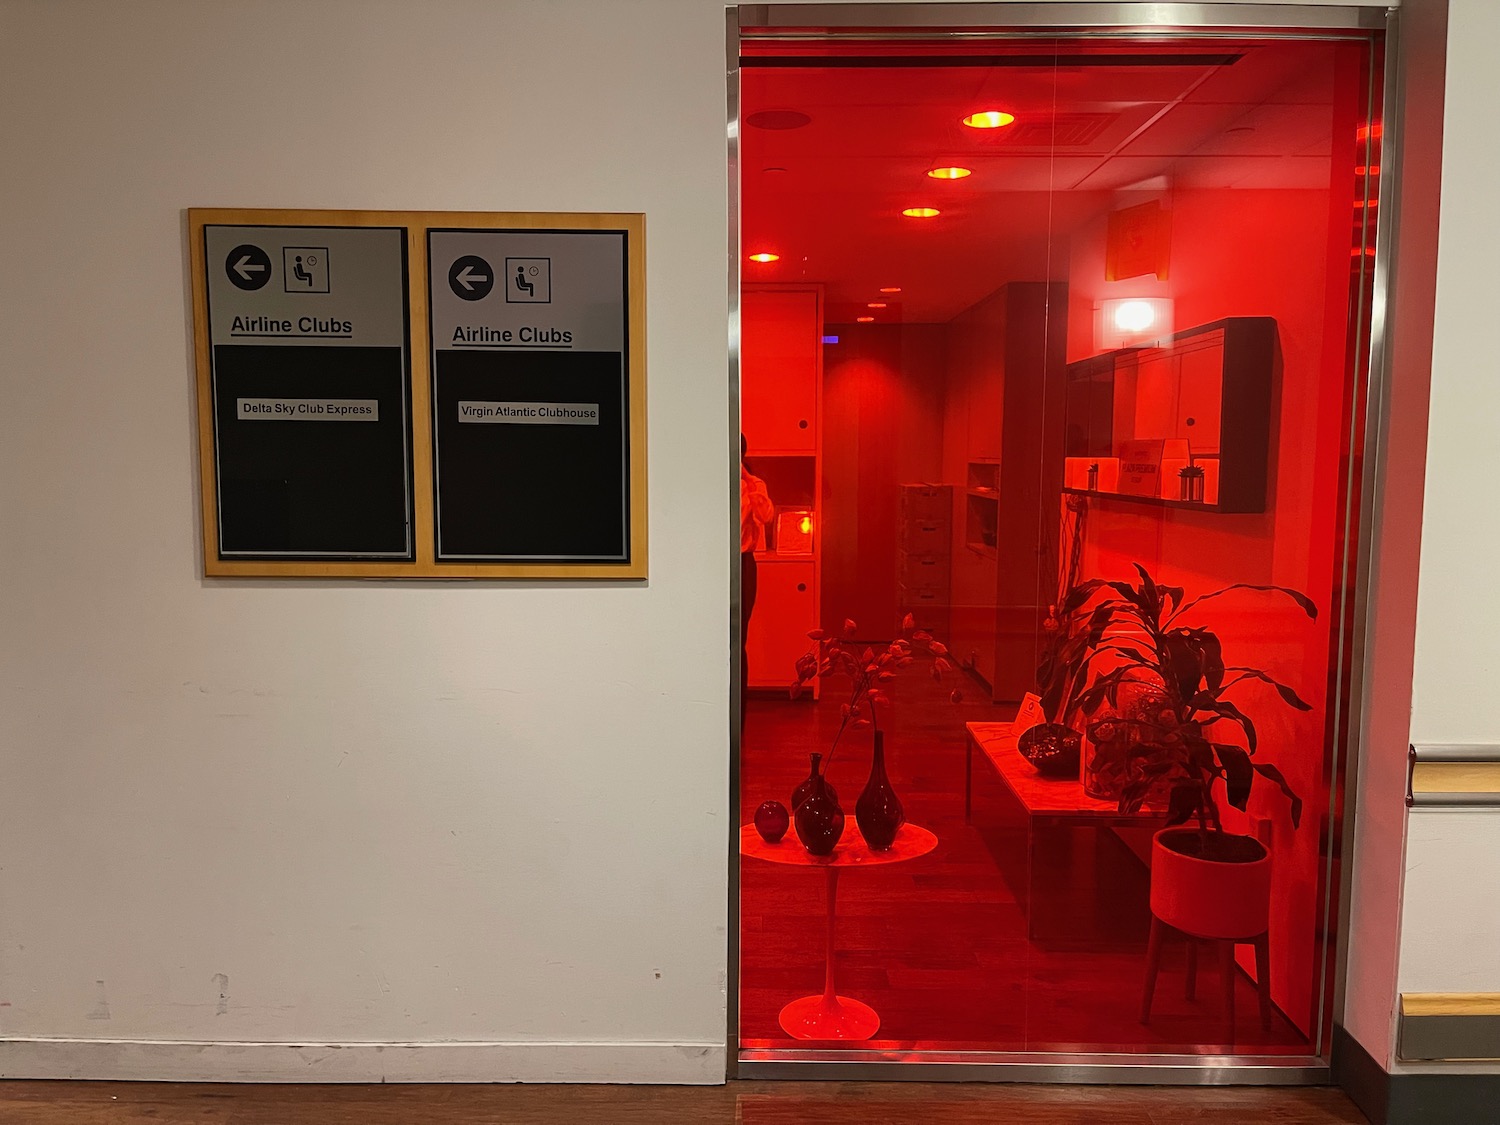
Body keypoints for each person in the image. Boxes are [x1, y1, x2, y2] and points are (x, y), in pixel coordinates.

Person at [739, 435, 774, 724]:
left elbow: (766, 515)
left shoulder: (754, 485)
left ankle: (738, 712)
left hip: (742, 563)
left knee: (739, 638)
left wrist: (750, 483)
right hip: (713, 564)